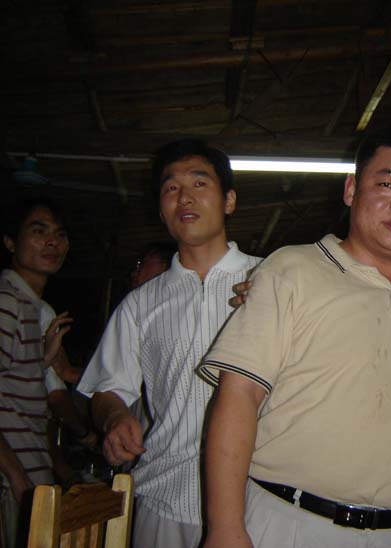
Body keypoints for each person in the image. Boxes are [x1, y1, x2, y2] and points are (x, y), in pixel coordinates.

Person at [198, 127, 391, 548]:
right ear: (351, 190)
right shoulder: (291, 269)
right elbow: (239, 395)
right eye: (386, 184)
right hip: (290, 523)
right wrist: (224, 528)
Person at [77, 139, 261, 547]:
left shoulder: (271, 280)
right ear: (161, 212)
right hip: (163, 501)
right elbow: (107, 389)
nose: (185, 197)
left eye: (200, 183)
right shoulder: (140, 304)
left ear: (229, 201)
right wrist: (114, 419)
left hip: (260, 500)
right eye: (171, 188)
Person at [0, 197, 93, 548]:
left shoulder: (29, 305)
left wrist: (40, 360)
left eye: (60, 234)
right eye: (38, 232)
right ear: (10, 242)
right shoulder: (7, 302)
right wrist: (16, 477)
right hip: (11, 485)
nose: (52, 242)